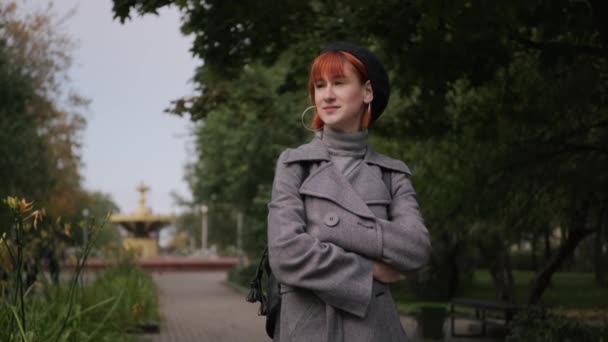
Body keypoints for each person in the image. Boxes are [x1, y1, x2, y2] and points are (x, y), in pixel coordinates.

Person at [267, 42, 432, 342]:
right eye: (320, 86)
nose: (327, 95)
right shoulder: (294, 164)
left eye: (339, 83)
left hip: (376, 330)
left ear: (367, 92)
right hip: (307, 330)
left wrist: (326, 231)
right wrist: (369, 268)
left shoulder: (392, 173)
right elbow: (286, 254)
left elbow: (416, 248)